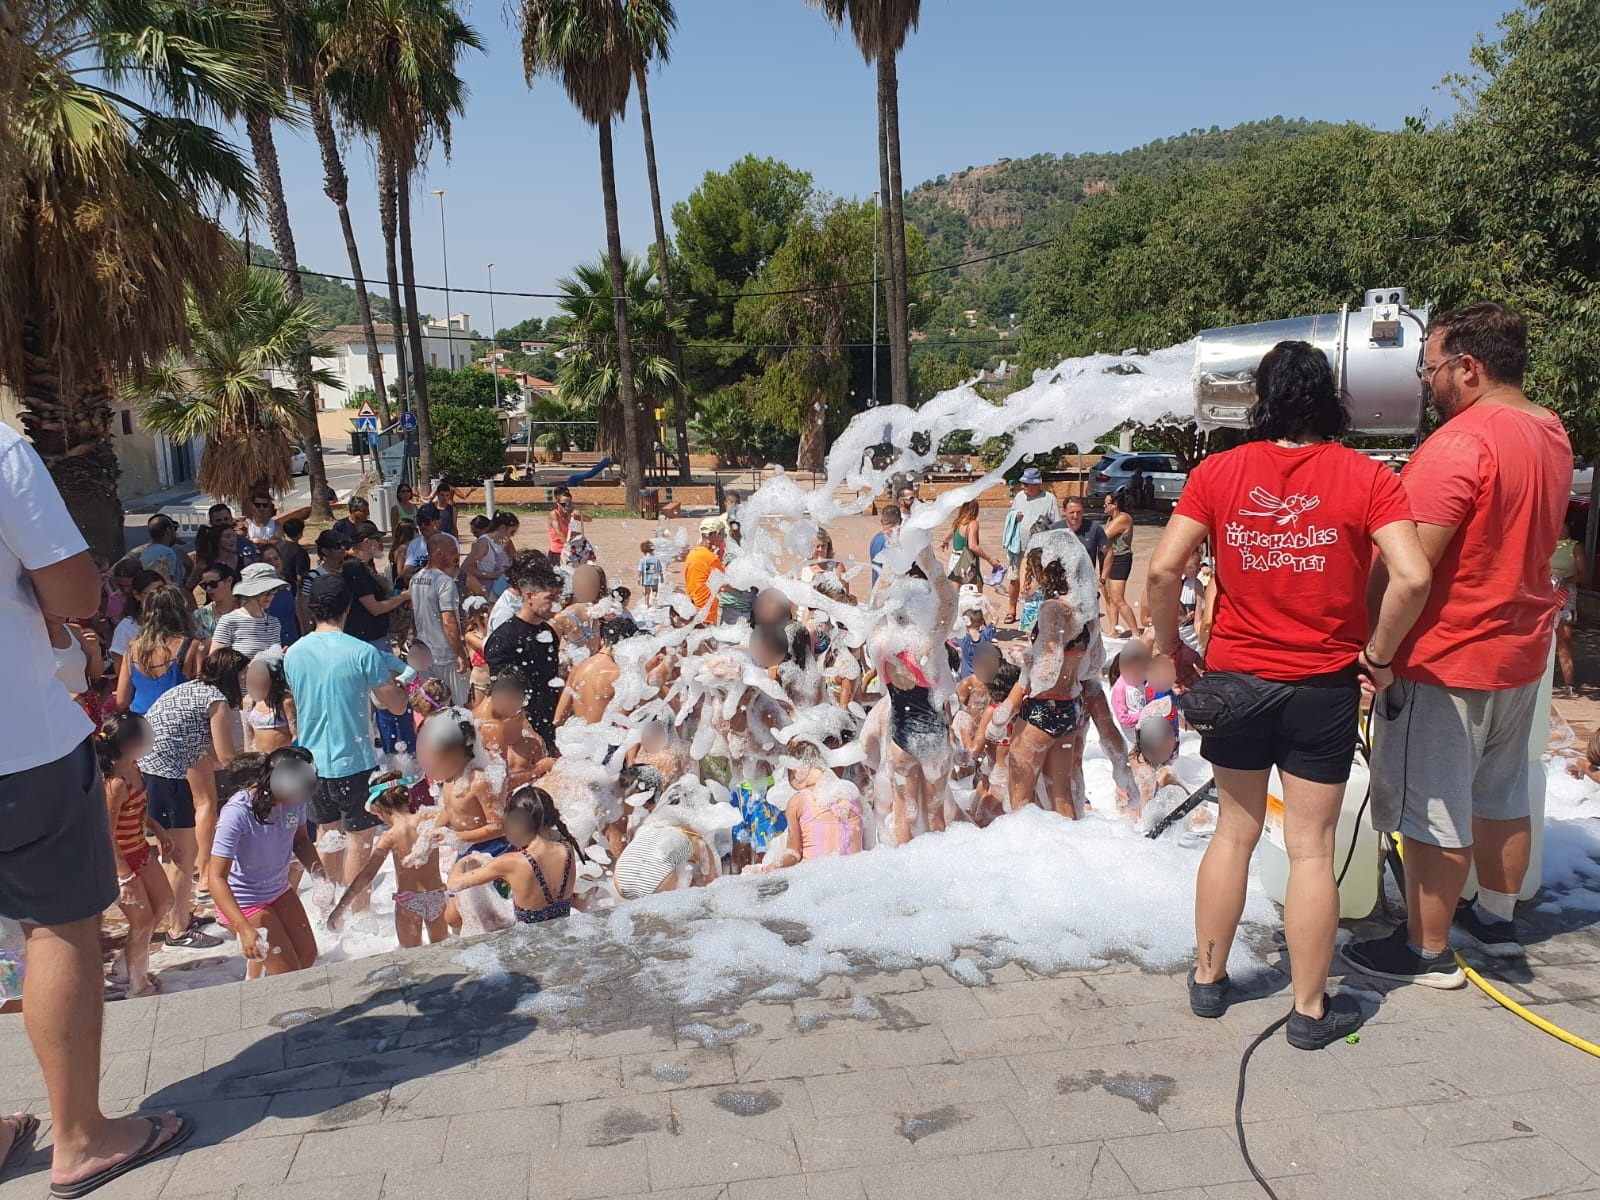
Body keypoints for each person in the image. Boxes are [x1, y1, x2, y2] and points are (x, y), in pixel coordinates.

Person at [1147, 338, 1431, 1050]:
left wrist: (1168, 646)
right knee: (1310, 849)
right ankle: (1309, 1011)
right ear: (1329, 397)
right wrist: (1380, 655)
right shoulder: (1366, 477)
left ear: (1261, 400)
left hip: (1237, 682)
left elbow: (1162, 569)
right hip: (1321, 688)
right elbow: (1414, 576)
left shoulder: (1220, 471)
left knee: (1234, 833)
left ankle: (1209, 982)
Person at [1343, 303, 1572, 984]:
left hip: (1448, 658)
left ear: (1468, 367)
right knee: (1502, 795)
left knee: (1432, 805)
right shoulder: (1549, 430)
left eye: (1432, 367)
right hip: (1520, 653)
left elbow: (1413, 566)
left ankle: (1426, 949)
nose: (1427, 382)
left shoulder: (1459, 443)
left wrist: (1376, 653)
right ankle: (1496, 921)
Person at [0, 423, 190, 1200]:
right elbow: (77, 591)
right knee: (61, 928)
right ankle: (80, 1136)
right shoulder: (1, 447)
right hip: (17, 744)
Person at [283, 575, 411, 909]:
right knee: (360, 839)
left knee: (328, 834)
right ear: (349, 607)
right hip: (353, 760)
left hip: (309, 762)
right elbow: (395, 705)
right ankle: (357, 914)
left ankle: (328, 909)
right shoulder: (363, 651)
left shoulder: (293, 653)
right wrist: (406, 683)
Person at [139, 647, 249, 950]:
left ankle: (181, 915)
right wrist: (259, 768)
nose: (245, 682)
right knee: (181, 856)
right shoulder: (217, 700)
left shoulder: (191, 688)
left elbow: (209, 750)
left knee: (178, 853)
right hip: (167, 776)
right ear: (231, 675)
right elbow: (226, 756)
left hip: (151, 770)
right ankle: (178, 931)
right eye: (242, 676)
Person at [209, 748, 329, 978]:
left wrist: (319, 874)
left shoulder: (295, 798)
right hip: (244, 901)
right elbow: (215, 878)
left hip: (278, 890)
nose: (299, 801)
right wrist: (243, 928)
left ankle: (256, 975)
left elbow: (300, 839)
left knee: (307, 956)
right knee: (288, 974)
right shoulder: (237, 813)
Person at [97, 714, 174, 1000]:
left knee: (165, 901)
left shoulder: (134, 767)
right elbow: (106, 834)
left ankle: (122, 967)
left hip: (140, 850)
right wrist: (124, 876)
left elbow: (138, 808)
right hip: (119, 861)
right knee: (141, 922)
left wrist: (157, 828)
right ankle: (138, 986)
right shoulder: (115, 784)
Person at [328, 772, 449, 947]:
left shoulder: (389, 836)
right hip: (436, 895)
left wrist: (340, 909)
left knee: (412, 958)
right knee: (443, 951)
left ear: (377, 809)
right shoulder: (429, 819)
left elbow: (366, 876)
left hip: (409, 902)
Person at [448, 784, 585, 924]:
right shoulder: (568, 849)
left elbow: (454, 884)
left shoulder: (511, 862)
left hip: (529, 944)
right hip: (562, 935)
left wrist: (463, 860)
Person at [485, 553, 566, 748]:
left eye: (558, 597)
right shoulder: (504, 638)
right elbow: (502, 695)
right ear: (529, 597)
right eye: (550, 598)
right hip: (520, 732)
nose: (556, 604)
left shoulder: (548, 632)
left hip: (548, 723)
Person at [116, 585, 203, 715]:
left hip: (142, 726)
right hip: (179, 724)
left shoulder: (132, 648)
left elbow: (122, 701)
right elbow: (202, 695)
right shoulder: (192, 646)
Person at [411, 533, 470, 704]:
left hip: (424, 654)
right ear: (438, 553)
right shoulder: (445, 582)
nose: (457, 556)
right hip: (446, 655)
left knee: (431, 706)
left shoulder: (416, 579)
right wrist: (460, 654)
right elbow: (449, 621)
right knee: (462, 705)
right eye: (452, 551)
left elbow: (416, 617)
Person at [554, 613, 637, 727]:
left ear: (602, 640)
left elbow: (558, 719)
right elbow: (621, 725)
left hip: (576, 740)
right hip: (604, 742)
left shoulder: (578, 667)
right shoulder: (619, 675)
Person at [1003, 467, 1061, 623]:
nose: (1023, 487)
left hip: (1040, 550)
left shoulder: (1049, 499)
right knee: (1014, 578)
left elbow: (1057, 524)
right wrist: (1014, 517)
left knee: (1040, 580)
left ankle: (1038, 613)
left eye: (1026, 484)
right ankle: (1012, 610)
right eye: (1022, 483)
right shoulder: (1020, 497)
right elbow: (1011, 515)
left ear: (1036, 484)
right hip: (1019, 547)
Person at [343, 521, 410, 651]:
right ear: (367, 542)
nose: (381, 544)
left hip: (377, 635)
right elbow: (375, 608)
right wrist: (403, 597)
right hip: (366, 640)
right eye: (378, 539)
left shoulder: (365, 566)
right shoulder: (354, 569)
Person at [210, 562, 286, 656]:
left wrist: (280, 656)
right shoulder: (229, 621)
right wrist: (246, 665)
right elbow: (215, 661)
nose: (270, 595)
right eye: (265, 591)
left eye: (274, 590)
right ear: (250, 592)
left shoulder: (274, 623)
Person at [1550, 526, 1585, 696]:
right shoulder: (1546, 542)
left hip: (1565, 592)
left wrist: (1565, 580)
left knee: (1564, 636)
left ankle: (1569, 684)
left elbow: (1583, 575)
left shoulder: (1575, 546)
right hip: (1544, 591)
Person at [296, 528, 350, 637]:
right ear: (325, 551)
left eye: (344, 544)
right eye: (337, 546)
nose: (343, 548)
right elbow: (304, 607)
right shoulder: (314, 576)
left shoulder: (351, 571)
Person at [1101, 489, 1139, 636]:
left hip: (1120, 559)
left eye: (1106, 504)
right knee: (1108, 596)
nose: (1104, 507)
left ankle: (1136, 632)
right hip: (1107, 558)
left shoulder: (1124, 518)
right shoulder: (1110, 519)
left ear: (1115, 504)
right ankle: (1113, 630)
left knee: (1117, 598)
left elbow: (1104, 537)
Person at [243, 651, 296, 754]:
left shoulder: (286, 702)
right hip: (260, 760)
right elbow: (248, 737)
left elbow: (295, 734)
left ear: (273, 680)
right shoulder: (249, 702)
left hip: (282, 759)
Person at [940, 500, 1000, 589]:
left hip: (954, 558)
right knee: (977, 589)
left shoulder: (958, 522)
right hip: (966, 560)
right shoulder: (973, 523)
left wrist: (945, 542)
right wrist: (990, 559)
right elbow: (972, 546)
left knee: (956, 592)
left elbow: (949, 536)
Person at [464, 511, 519, 599]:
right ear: (503, 528)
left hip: (500, 591)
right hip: (488, 593)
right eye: (512, 532)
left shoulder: (502, 542)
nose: (512, 535)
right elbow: (466, 567)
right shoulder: (484, 543)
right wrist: (491, 575)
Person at [256, 546, 302, 645]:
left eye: (276, 558)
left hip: (293, 642)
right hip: (270, 645)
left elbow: (298, 615)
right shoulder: (256, 592)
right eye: (268, 561)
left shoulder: (291, 584)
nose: (274, 563)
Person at [684, 516, 726, 622]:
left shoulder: (692, 554)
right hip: (707, 615)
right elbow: (725, 585)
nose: (724, 539)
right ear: (717, 535)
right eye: (723, 534)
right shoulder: (711, 558)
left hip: (692, 611)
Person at [1064, 496, 1111, 583]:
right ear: (1064, 512)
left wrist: (1103, 578)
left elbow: (1108, 552)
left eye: (1079, 512)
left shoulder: (1094, 528)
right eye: (1072, 512)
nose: (1075, 516)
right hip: (1061, 585)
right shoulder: (1055, 530)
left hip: (1086, 584)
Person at [193, 561, 240, 641]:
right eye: (205, 585)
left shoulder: (248, 609)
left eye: (213, 584)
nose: (208, 589)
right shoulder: (200, 616)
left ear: (229, 580)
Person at [137, 514, 182, 582]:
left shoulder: (146, 551)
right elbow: (166, 581)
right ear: (168, 531)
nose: (175, 532)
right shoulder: (167, 552)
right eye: (174, 529)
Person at [868, 505, 901, 588]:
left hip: (877, 589)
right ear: (901, 521)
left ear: (882, 521)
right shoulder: (897, 541)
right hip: (892, 592)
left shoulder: (875, 540)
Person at [277, 516, 311, 597]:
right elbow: (300, 577)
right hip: (292, 592)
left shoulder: (277, 548)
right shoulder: (300, 552)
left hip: (276, 589)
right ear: (300, 533)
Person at [547, 486, 580, 559]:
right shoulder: (554, 514)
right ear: (557, 503)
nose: (566, 507)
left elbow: (589, 519)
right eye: (564, 504)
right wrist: (572, 548)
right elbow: (560, 535)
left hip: (570, 551)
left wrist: (578, 513)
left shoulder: (570, 513)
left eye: (569, 504)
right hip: (558, 553)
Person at [638, 540, 664, 609]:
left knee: (647, 592)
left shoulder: (643, 560)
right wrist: (662, 577)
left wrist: (638, 578)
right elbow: (660, 570)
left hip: (646, 579)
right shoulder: (656, 559)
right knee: (655, 590)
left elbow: (640, 570)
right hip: (654, 578)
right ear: (652, 550)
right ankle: (654, 598)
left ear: (643, 551)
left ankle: (646, 605)